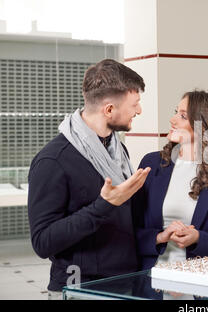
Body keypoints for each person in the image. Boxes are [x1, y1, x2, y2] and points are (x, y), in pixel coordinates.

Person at [27, 59, 150, 299]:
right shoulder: (53, 161)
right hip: (81, 290)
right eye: (134, 104)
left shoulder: (117, 151)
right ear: (109, 110)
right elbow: (42, 242)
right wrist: (104, 205)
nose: (139, 111)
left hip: (125, 283)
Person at [132, 90, 208, 282]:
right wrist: (159, 237)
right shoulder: (151, 163)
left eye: (182, 116)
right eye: (176, 112)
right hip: (149, 283)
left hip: (200, 284)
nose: (172, 119)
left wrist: (198, 239)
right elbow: (130, 230)